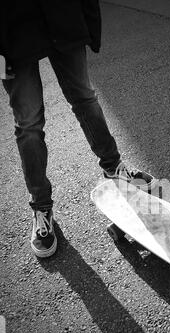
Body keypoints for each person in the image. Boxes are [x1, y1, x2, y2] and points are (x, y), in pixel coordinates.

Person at [0, 0, 156, 258]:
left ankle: (113, 167)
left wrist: (91, 23)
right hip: (12, 34)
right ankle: (41, 207)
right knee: (29, 124)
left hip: (63, 18)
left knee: (85, 98)